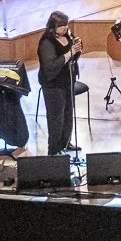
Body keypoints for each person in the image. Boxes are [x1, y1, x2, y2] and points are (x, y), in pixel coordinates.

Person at [38, 12, 83, 154]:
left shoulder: (67, 34)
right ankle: (54, 150)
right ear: (53, 27)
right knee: (56, 119)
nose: (66, 28)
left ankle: (66, 142)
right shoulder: (47, 43)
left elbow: (73, 56)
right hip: (53, 86)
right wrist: (70, 53)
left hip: (67, 81)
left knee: (68, 115)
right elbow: (51, 66)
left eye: (66, 24)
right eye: (62, 26)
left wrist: (78, 48)